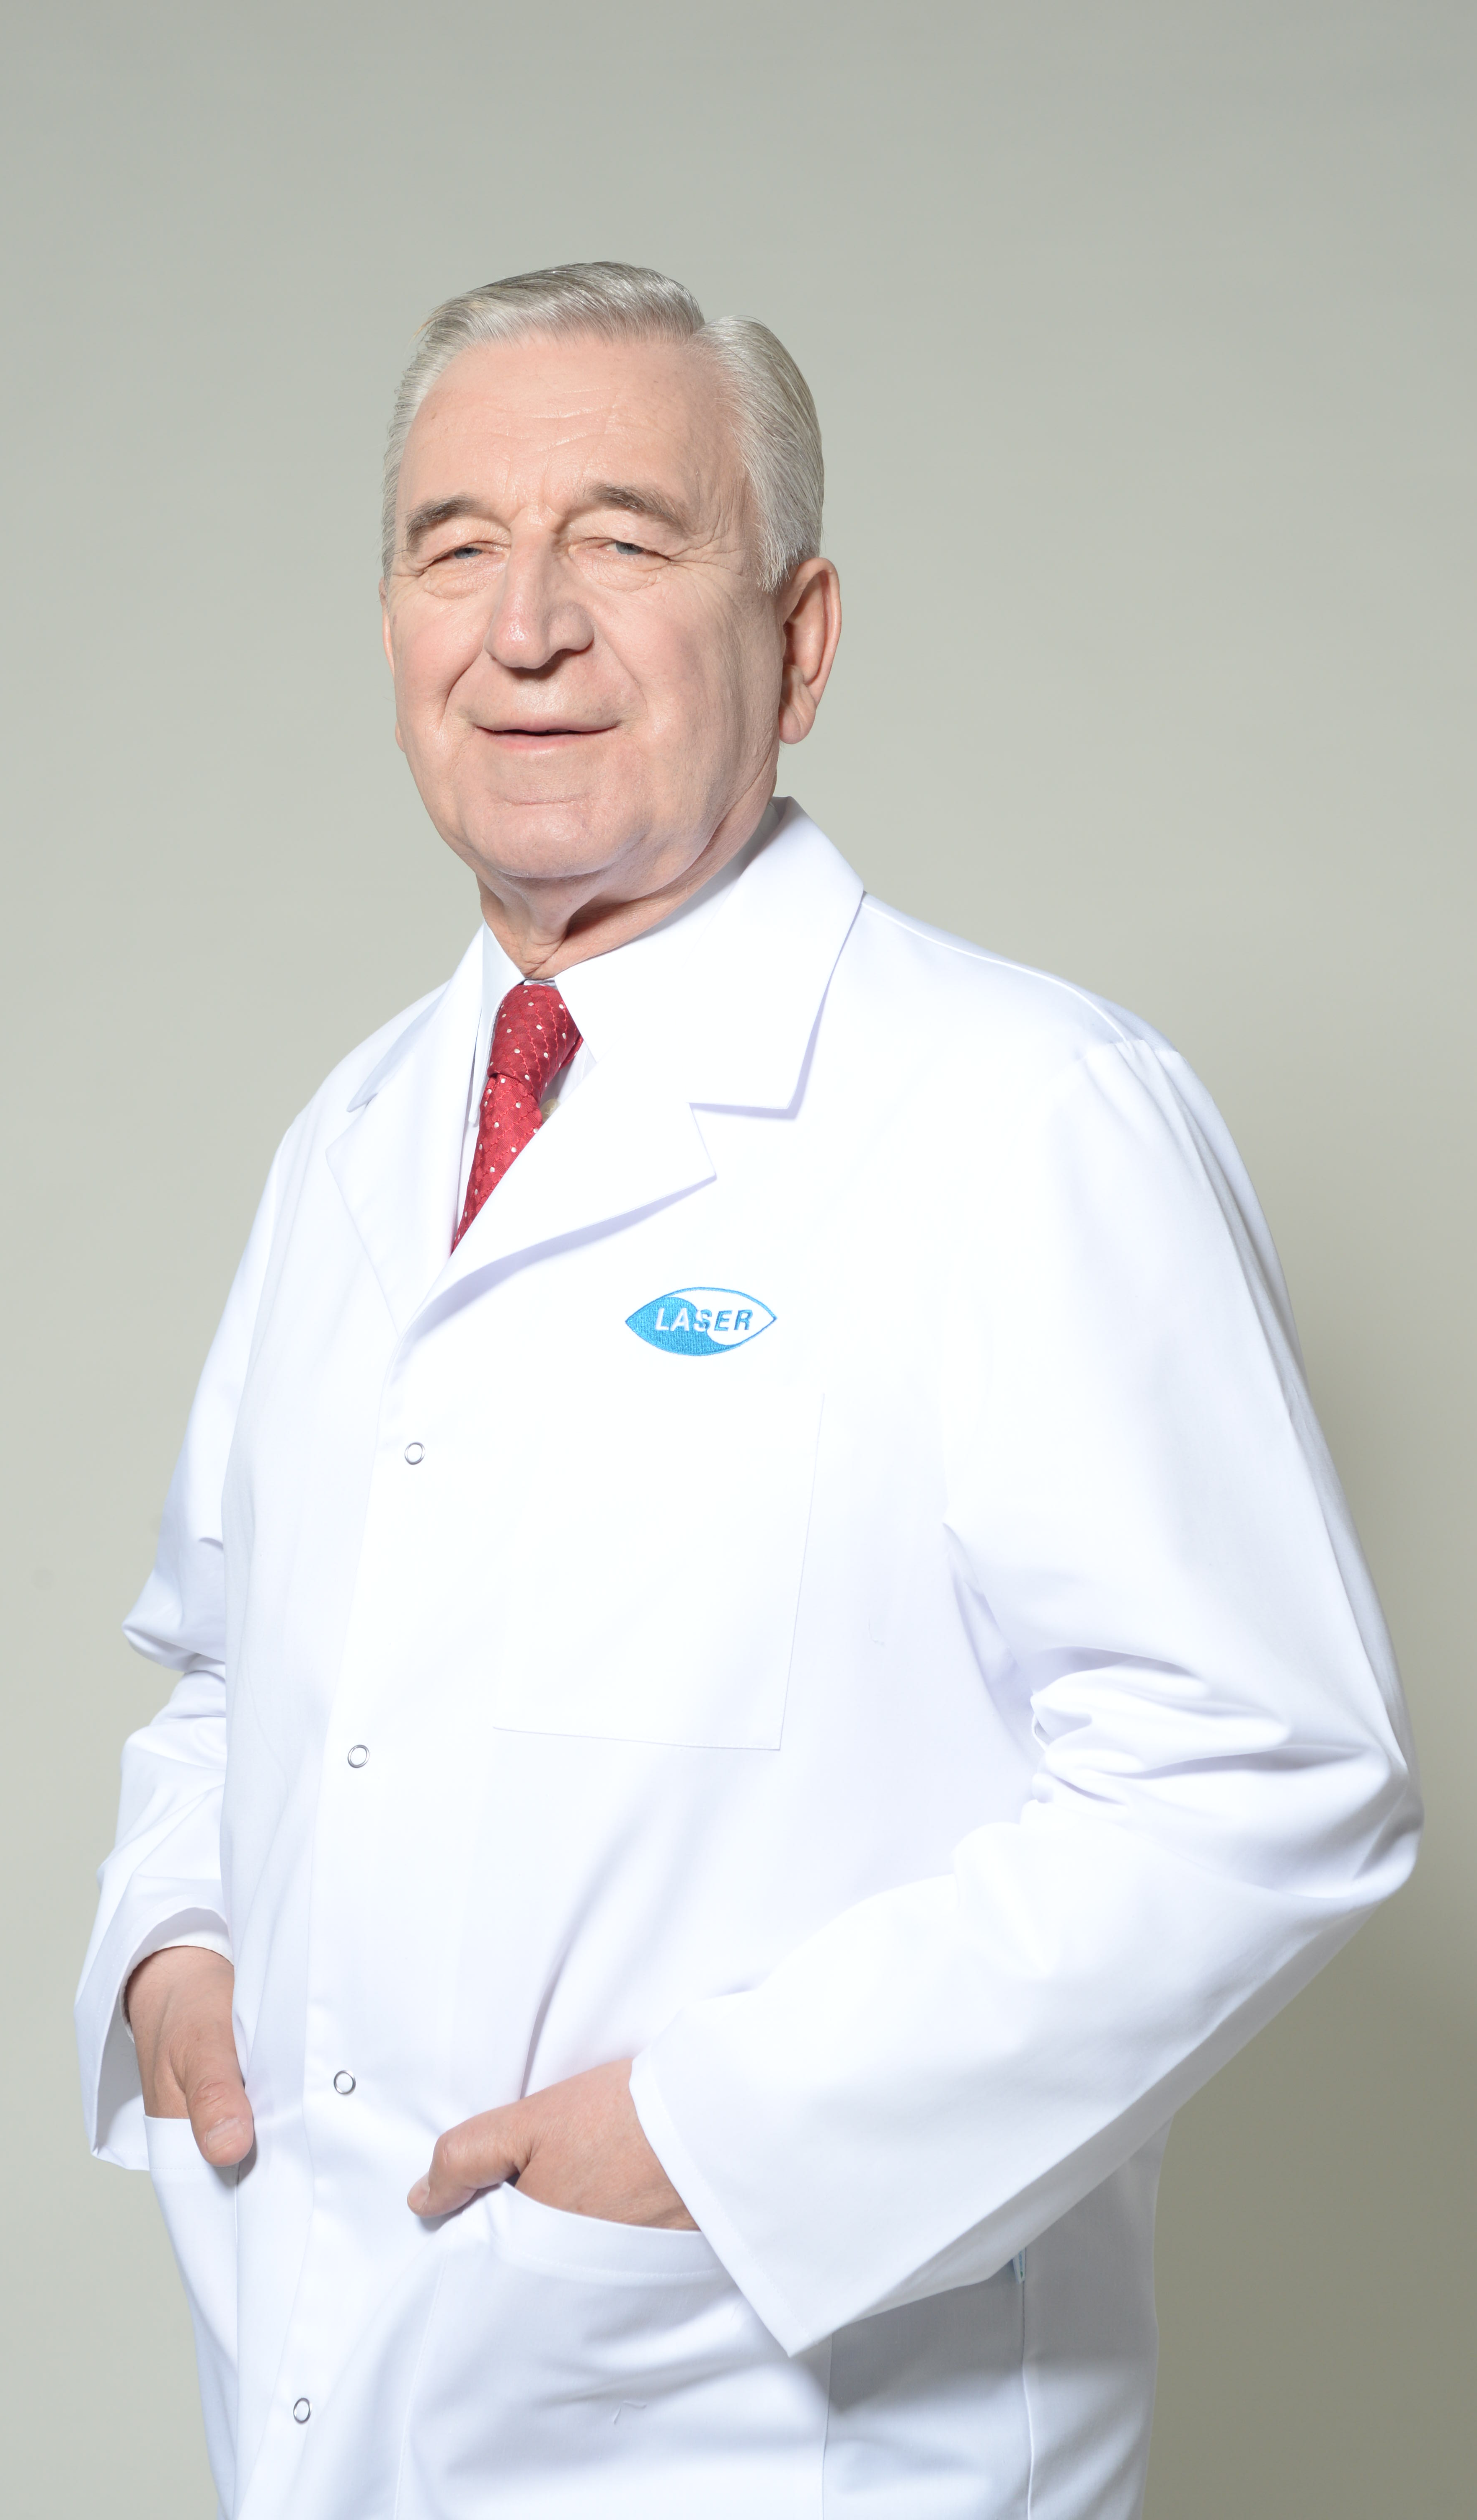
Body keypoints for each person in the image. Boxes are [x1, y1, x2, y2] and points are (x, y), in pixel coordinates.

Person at [75, 263, 1419, 2520]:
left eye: (623, 538)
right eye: (455, 548)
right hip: (330, 2397)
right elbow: (234, 1668)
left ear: (799, 641)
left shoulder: (1024, 1114)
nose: (527, 628)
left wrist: (705, 2148)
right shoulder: (360, 1136)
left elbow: (1268, 1778)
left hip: (785, 2435)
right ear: (392, 629)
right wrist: (172, 1944)